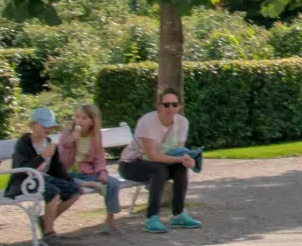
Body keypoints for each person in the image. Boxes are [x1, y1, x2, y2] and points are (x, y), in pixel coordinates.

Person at [124, 89, 201, 233]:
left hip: (160, 164)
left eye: (174, 104)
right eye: (166, 105)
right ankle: (151, 218)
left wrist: (188, 160)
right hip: (131, 163)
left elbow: (179, 151)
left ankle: (178, 215)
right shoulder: (147, 121)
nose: (170, 108)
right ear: (159, 106)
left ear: (180, 106)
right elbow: (152, 155)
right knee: (158, 169)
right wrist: (179, 158)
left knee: (180, 168)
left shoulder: (183, 122)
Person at [11, 106, 82, 246]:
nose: (48, 128)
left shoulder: (49, 142)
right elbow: (22, 169)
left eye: (50, 126)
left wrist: (69, 181)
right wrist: (42, 156)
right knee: (53, 192)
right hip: (25, 181)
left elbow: (57, 168)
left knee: (75, 191)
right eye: (44, 125)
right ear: (33, 125)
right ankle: (49, 233)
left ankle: (45, 221)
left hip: (43, 179)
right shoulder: (23, 144)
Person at [59, 102, 126, 235]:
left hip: (86, 172)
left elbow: (99, 158)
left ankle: (110, 220)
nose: (79, 121)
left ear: (92, 121)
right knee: (69, 182)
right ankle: (90, 184)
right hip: (69, 172)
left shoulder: (95, 136)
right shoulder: (67, 134)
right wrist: (71, 141)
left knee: (112, 183)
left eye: (84, 118)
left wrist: (101, 172)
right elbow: (63, 159)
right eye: (77, 117)